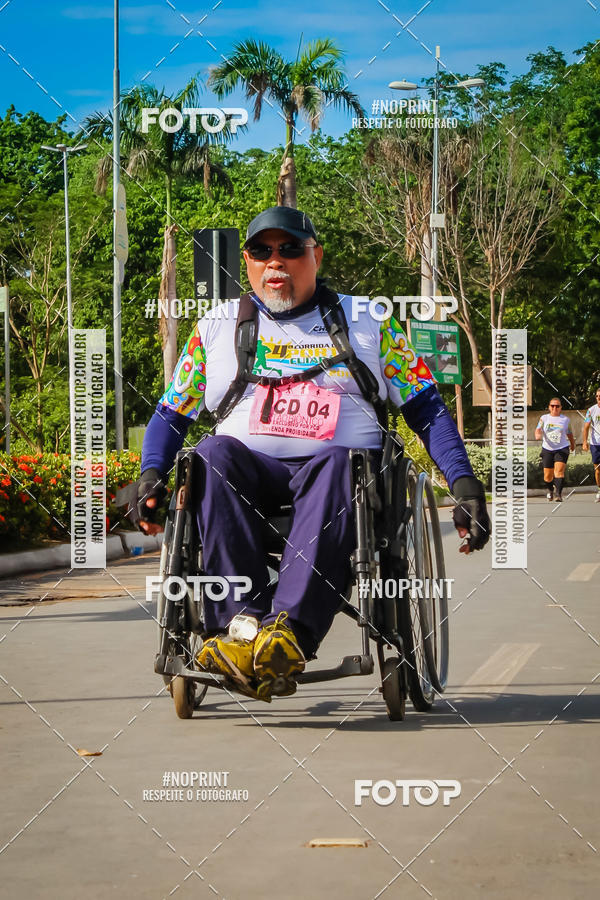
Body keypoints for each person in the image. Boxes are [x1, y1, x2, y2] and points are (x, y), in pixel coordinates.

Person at [138, 206, 490, 701]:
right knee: (211, 453)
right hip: (248, 480)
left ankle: (288, 635)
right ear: (247, 261)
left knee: (337, 460)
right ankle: (241, 631)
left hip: (341, 481)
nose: (275, 261)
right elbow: (170, 416)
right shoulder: (216, 326)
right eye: (262, 251)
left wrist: (464, 484)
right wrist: (150, 475)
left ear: (315, 255)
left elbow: (427, 410)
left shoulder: (369, 321)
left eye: (290, 249)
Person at [535, 398, 575, 502]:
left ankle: (558, 494)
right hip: (547, 449)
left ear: (561, 408)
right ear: (549, 407)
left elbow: (569, 433)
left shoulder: (565, 420)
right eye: (552, 406)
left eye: (557, 406)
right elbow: (538, 429)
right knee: (547, 476)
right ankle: (550, 490)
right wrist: (538, 434)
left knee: (559, 472)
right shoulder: (544, 418)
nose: (555, 408)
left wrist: (572, 444)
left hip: (562, 448)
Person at [582, 387, 600, 502]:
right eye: (597, 396)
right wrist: (585, 442)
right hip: (596, 443)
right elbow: (586, 427)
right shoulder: (591, 410)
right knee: (598, 469)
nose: (599, 398)